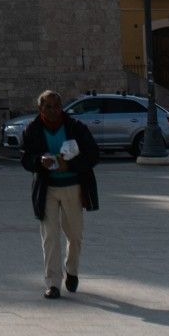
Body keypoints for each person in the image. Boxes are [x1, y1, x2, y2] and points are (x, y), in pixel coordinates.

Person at [20, 89, 100, 298]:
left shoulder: (75, 128)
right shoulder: (33, 129)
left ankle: (71, 271)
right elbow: (25, 158)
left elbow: (93, 154)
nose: (54, 111)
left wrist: (70, 165)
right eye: (48, 107)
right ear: (40, 109)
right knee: (50, 235)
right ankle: (53, 282)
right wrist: (39, 161)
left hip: (73, 186)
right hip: (47, 188)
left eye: (57, 106)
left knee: (75, 234)